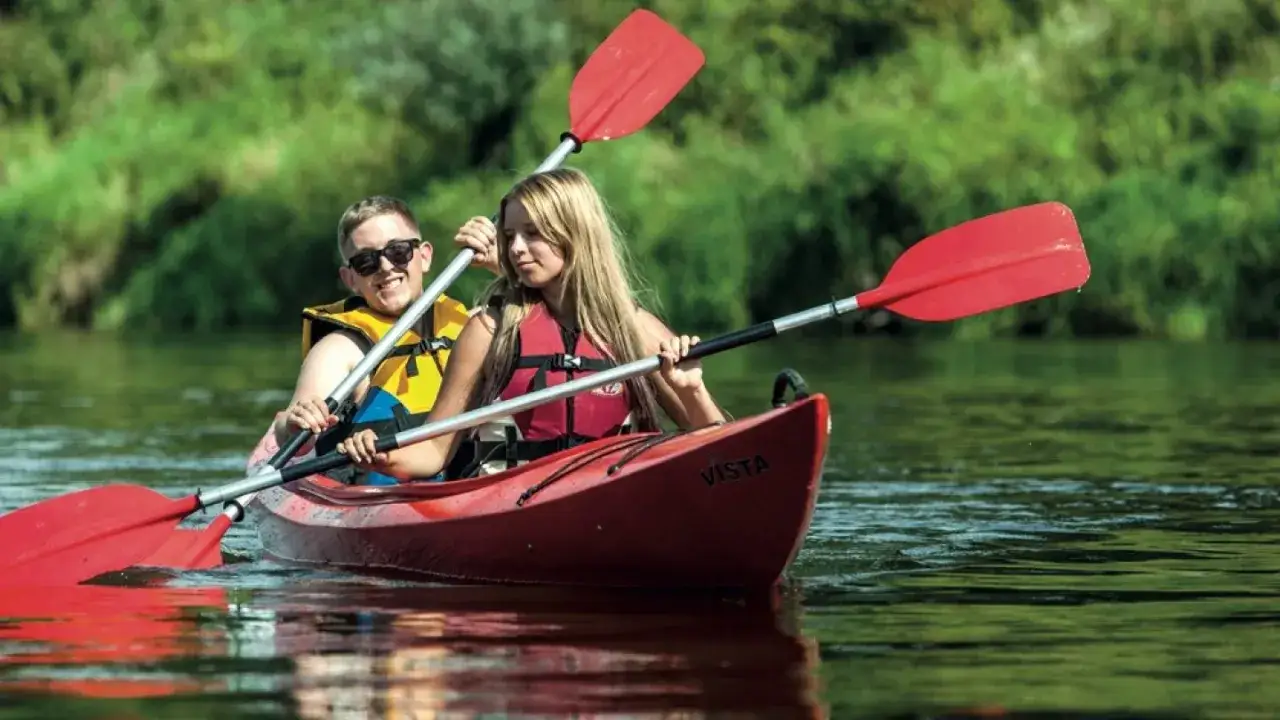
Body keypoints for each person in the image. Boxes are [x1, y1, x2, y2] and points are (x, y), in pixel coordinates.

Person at [335, 167, 727, 482]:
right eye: (509, 235)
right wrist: (377, 454)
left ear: (575, 234)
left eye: (533, 233)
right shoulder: (489, 331)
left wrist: (691, 391)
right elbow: (434, 453)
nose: (516, 249)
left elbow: (720, 450)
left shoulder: (638, 330)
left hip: (615, 491)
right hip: (514, 502)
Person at [271, 195, 502, 484]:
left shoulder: (474, 326)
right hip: (381, 500)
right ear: (350, 278)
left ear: (425, 256)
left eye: (398, 251)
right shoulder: (341, 350)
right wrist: (294, 424)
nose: (385, 267)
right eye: (366, 261)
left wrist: (502, 265)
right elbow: (292, 432)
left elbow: (560, 319)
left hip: (473, 488)